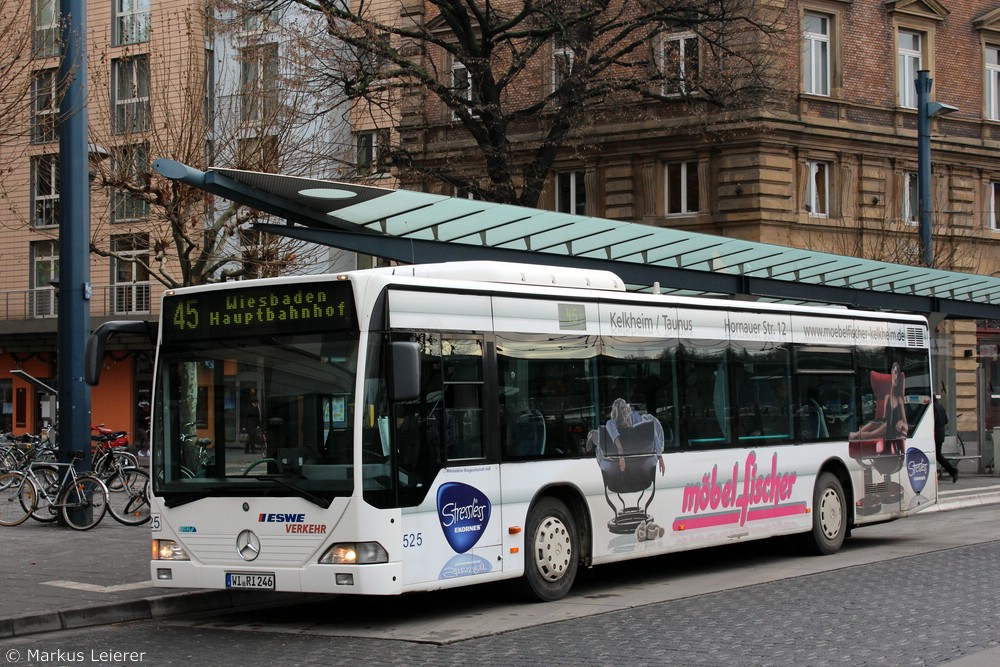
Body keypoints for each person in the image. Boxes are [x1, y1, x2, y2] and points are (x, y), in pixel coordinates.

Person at [606, 397, 666, 475]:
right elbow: (609, 424)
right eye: (625, 421)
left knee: (659, 444)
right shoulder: (613, 422)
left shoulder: (637, 418)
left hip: (651, 421)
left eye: (628, 419)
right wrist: (621, 453)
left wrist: (660, 457)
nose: (627, 423)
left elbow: (653, 432)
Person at [849, 362, 907, 441]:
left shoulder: (899, 399)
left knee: (875, 431)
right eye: (894, 372)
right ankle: (858, 434)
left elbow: (906, 424)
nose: (895, 376)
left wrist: (901, 422)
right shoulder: (887, 397)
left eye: (897, 373)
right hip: (885, 424)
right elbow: (884, 417)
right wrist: (875, 424)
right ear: (891, 373)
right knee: (874, 423)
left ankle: (857, 435)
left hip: (891, 428)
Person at [934, 398, 958, 483]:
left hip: (934, 435)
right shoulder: (941, 407)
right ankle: (952, 471)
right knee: (937, 455)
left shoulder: (932, 408)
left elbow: (934, 421)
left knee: (937, 455)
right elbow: (946, 421)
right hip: (940, 435)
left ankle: (952, 471)